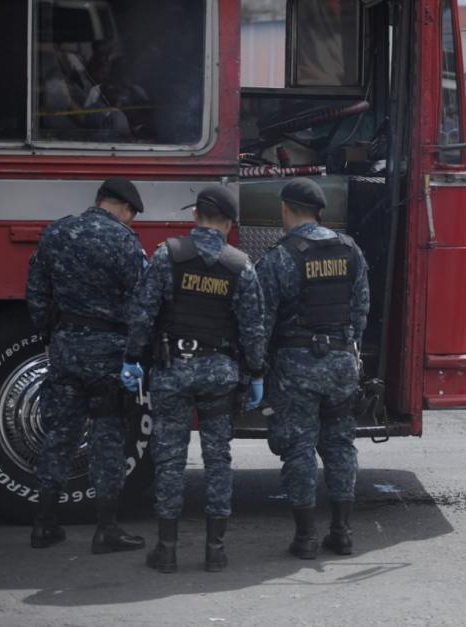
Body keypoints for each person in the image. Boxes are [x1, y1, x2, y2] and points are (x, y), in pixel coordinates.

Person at [122, 187, 266, 573]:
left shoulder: (167, 256)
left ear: (196, 217)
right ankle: (215, 551)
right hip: (219, 373)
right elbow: (253, 328)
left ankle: (167, 551)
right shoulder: (240, 266)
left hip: (172, 370)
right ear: (229, 223)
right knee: (218, 459)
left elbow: (143, 313)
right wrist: (255, 373)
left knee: (169, 460)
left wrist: (133, 358)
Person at [25, 178, 147, 554]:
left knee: (60, 432)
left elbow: (37, 293)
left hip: (65, 344)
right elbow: (141, 302)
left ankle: (44, 524)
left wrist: (52, 334)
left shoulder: (56, 232)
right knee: (107, 435)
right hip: (109, 349)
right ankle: (106, 528)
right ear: (126, 209)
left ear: (98, 201)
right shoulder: (124, 241)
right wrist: (135, 352)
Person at [255, 178, 370, 560]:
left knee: (299, 448)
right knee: (339, 445)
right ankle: (343, 533)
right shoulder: (351, 250)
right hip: (341, 364)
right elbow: (360, 311)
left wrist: (257, 367)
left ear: (287, 209)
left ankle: (305, 537)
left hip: (295, 366)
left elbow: (262, 320)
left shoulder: (281, 256)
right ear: (320, 211)